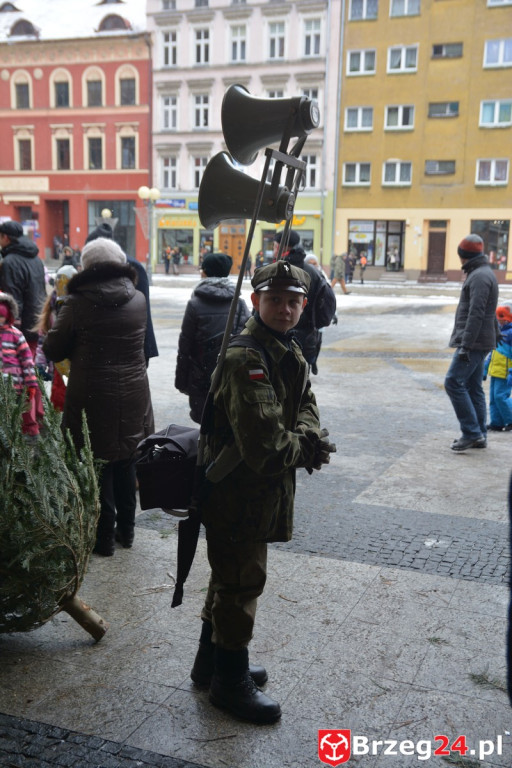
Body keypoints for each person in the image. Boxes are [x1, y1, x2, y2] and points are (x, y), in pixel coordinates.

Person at [190, 260, 335, 724]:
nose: (284, 309)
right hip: (237, 491)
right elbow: (267, 447)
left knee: (228, 576)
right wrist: (308, 448)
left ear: (304, 305)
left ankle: (211, 662)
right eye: (274, 300)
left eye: (293, 301)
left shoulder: (285, 347)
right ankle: (229, 682)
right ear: (256, 301)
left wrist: (306, 435)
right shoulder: (246, 358)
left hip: (256, 491)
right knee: (240, 581)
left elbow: (306, 402)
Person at [43, 237, 154, 555]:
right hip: (133, 392)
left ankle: (103, 538)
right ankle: (127, 532)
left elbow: (53, 348)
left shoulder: (77, 303)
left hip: (92, 394)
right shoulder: (138, 298)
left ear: (87, 266)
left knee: (97, 462)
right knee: (126, 460)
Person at [175, 252, 250, 423]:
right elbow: (246, 341)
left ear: (206, 272)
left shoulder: (195, 304)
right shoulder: (239, 304)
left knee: (205, 424)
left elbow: (185, 346)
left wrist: (181, 381)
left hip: (201, 378)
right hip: (230, 377)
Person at [444, 234, 499, 452]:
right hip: (480, 340)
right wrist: (495, 332)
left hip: (474, 342)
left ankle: (471, 432)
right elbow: (488, 310)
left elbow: (477, 313)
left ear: (464, 255)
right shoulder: (482, 273)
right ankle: (479, 434)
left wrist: (465, 345)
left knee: (453, 382)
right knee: (473, 387)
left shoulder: (478, 276)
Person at [85, 223, 158, 365]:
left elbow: (143, 310)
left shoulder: (131, 266)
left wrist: (145, 348)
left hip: (130, 345)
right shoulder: (102, 266)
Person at [273, 230, 324, 373]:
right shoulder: (312, 271)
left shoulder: (278, 270)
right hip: (307, 340)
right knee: (300, 381)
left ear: (281, 247)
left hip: (278, 339)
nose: (274, 250)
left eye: (274, 246)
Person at [0, 220, 46, 358]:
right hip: (37, 320)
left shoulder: (10, 262)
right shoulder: (36, 259)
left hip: (20, 327)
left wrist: (11, 327)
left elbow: (13, 298)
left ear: (5, 237)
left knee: (15, 365)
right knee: (30, 362)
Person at [34, 265, 77, 412]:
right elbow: (44, 339)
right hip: (58, 369)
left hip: (77, 367)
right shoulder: (52, 308)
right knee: (58, 404)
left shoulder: (80, 305)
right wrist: (40, 363)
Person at [0, 291, 41, 440]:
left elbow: (27, 361)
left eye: (1, 316)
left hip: (15, 385)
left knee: (19, 412)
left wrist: (31, 384)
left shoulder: (16, 334)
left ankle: (27, 435)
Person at [484, 302, 512, 432]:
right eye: (499, 319)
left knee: (501, 397)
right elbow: (493, 352)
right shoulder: (498, 332)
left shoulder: (510, 333)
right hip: (495, 371)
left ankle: (510, 420)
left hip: (505, 373)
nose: (500, 322)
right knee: (494, 398)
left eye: (503, 319)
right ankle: (497, 423)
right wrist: (485, 368)